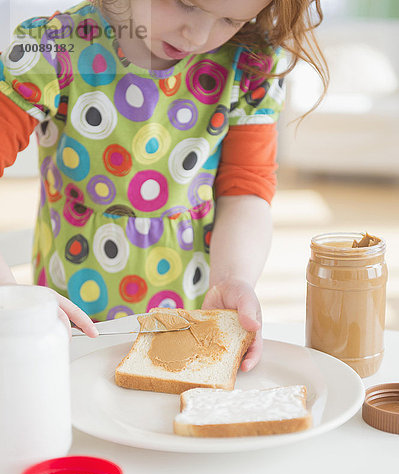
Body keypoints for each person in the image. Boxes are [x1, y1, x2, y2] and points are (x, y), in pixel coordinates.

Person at [0, 0, 327, 368]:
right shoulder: (54, 48)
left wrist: (233, 279)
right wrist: (8, 294)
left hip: (192, 303)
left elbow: (246, 190)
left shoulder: (248, 62)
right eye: (186, 4)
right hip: (73, 313)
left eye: (230, 20)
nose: (198, 36)